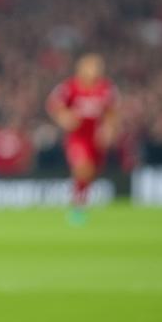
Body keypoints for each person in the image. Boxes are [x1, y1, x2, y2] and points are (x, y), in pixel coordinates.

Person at [46, 53, 118, 223]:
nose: (94, 71)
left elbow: (112, 113)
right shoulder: (70, 87)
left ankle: (80, 202)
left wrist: (108, 130)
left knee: (91, 172)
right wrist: (64, 117)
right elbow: (53, 105)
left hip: (95, 138)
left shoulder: (106, 89)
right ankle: (77, 208)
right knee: (82, 167)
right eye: (91, 67)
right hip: (78, 138)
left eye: (97, 67)